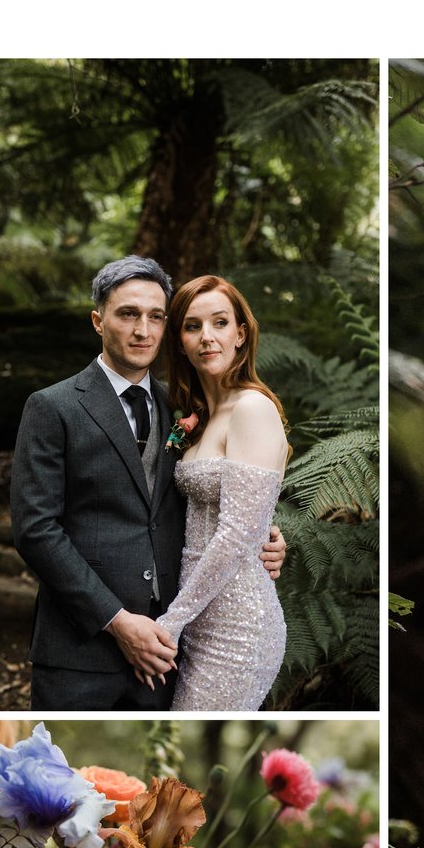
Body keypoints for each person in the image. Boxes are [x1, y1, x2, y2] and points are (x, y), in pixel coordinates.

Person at [10, 257, 283, 710]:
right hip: (81, 650)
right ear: (99, 321)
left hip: (165, 654)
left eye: (156, 317)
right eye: (127, 314)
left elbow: (211, 500)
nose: (143, 330)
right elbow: (35, 530)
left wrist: (265, 533)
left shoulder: (182, 407)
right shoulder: (51, 407)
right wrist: (118, 622)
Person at [153, 274, 289, 711]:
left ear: (241, 334)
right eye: (192, 326)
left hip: (237, 623)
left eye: (219, 323)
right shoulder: (198, 418)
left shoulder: (252, 407)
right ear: (180, 341)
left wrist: (170, 622)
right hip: (197, 615)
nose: (207, 337)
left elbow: (234, 536)